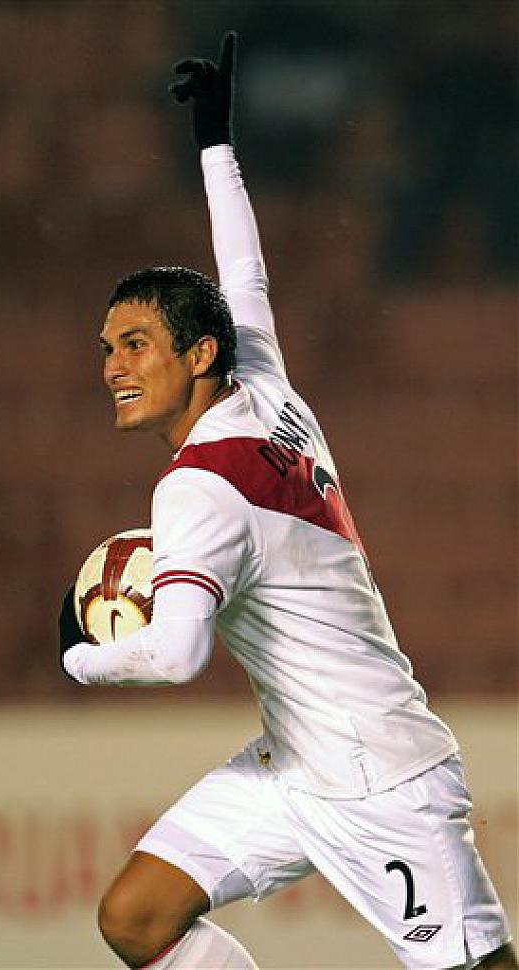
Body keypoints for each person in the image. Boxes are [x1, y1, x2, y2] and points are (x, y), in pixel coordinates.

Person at [59, 32, 515, 970]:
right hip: (295, 764)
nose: (112, 367)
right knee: (137, 917)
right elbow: (245, 276)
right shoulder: (263, 384)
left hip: (383, 779)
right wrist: (215, 144)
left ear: (198, 355)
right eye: (107, 348)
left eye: (134, 345)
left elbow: (178, 654)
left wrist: (84, 660)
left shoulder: (195, 487)